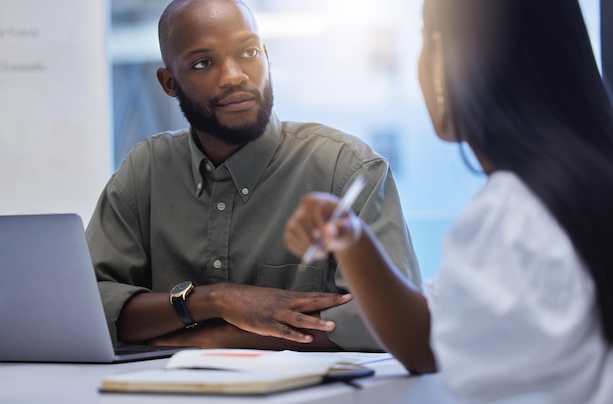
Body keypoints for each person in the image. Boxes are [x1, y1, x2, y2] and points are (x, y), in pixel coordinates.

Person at [285, 0, 613, 402]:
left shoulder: (514, 214)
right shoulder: (573, 189)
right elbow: (429, 341)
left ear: (450, 59)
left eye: (426, 38)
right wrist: (353, 241)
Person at [86, 0, 421, 352]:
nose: (234, 76)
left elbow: (394, 322)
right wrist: (215, 300)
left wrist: (224, 336)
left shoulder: (348, 169)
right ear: (169, 82)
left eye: (247, 52)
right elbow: (92, 304)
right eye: (203, 63)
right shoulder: (145, 170)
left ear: (266, 54)